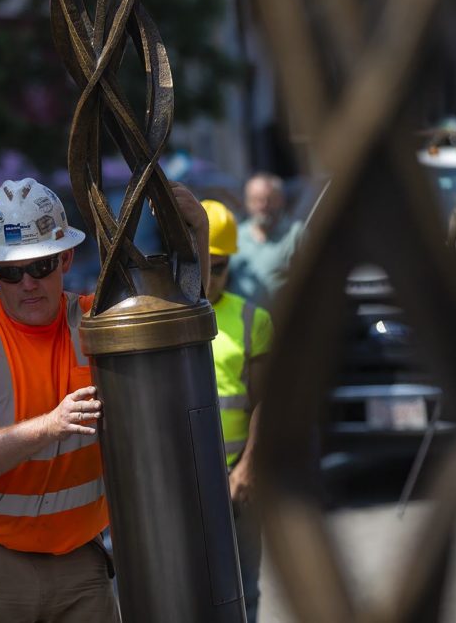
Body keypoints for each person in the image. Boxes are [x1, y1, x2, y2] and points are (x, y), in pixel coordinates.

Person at [0, 176, 209, 621]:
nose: (28, 283)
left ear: (66, 259)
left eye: (41, 266)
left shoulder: (95, 322)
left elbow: (175, 327)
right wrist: (49, 426)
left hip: (78, 563)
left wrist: (198, 234)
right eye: (11, 272)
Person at [203, 199, 273, 623]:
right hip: (189, 484)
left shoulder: (252, 319)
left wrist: (247, 468)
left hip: (238, 480)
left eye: (220, 266)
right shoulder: (168, 318)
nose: (210, 277)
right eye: (202, 264)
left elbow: (265, 400)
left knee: (246, 590)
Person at [228, 172, 303, 309]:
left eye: (269, 199)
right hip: (241, 325)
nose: (263, 205)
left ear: (281, 200)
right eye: (256, 199)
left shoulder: (295, 235)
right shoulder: (236, 236)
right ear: (247, 202)